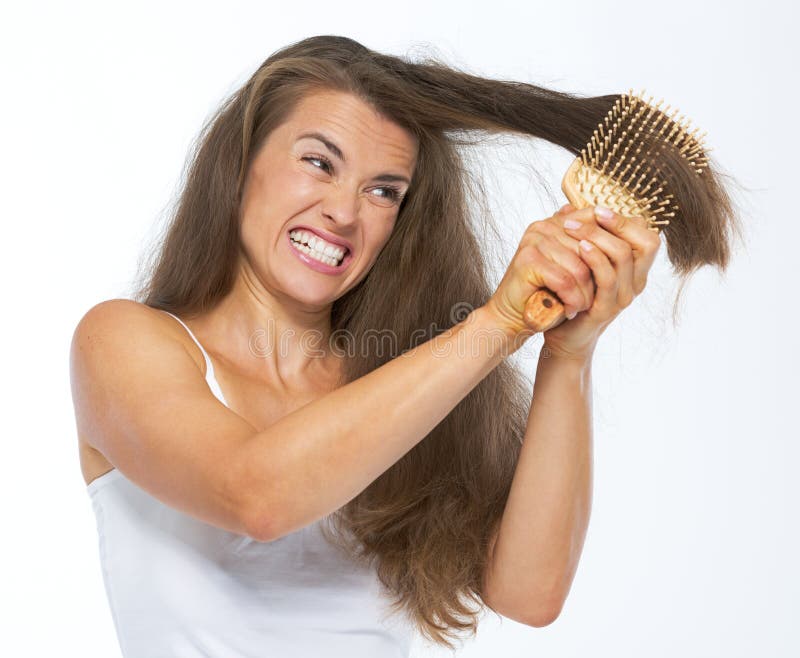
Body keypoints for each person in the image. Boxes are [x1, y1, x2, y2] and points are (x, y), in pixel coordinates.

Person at [69, 35, 737, 657]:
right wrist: (496, 324)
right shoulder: (125, 343)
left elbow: (528, 595)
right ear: (240, 165)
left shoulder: (405, 385)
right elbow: (258, 497)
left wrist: (567, 348)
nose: (345, 211)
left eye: (384, 191)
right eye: (318, 162)